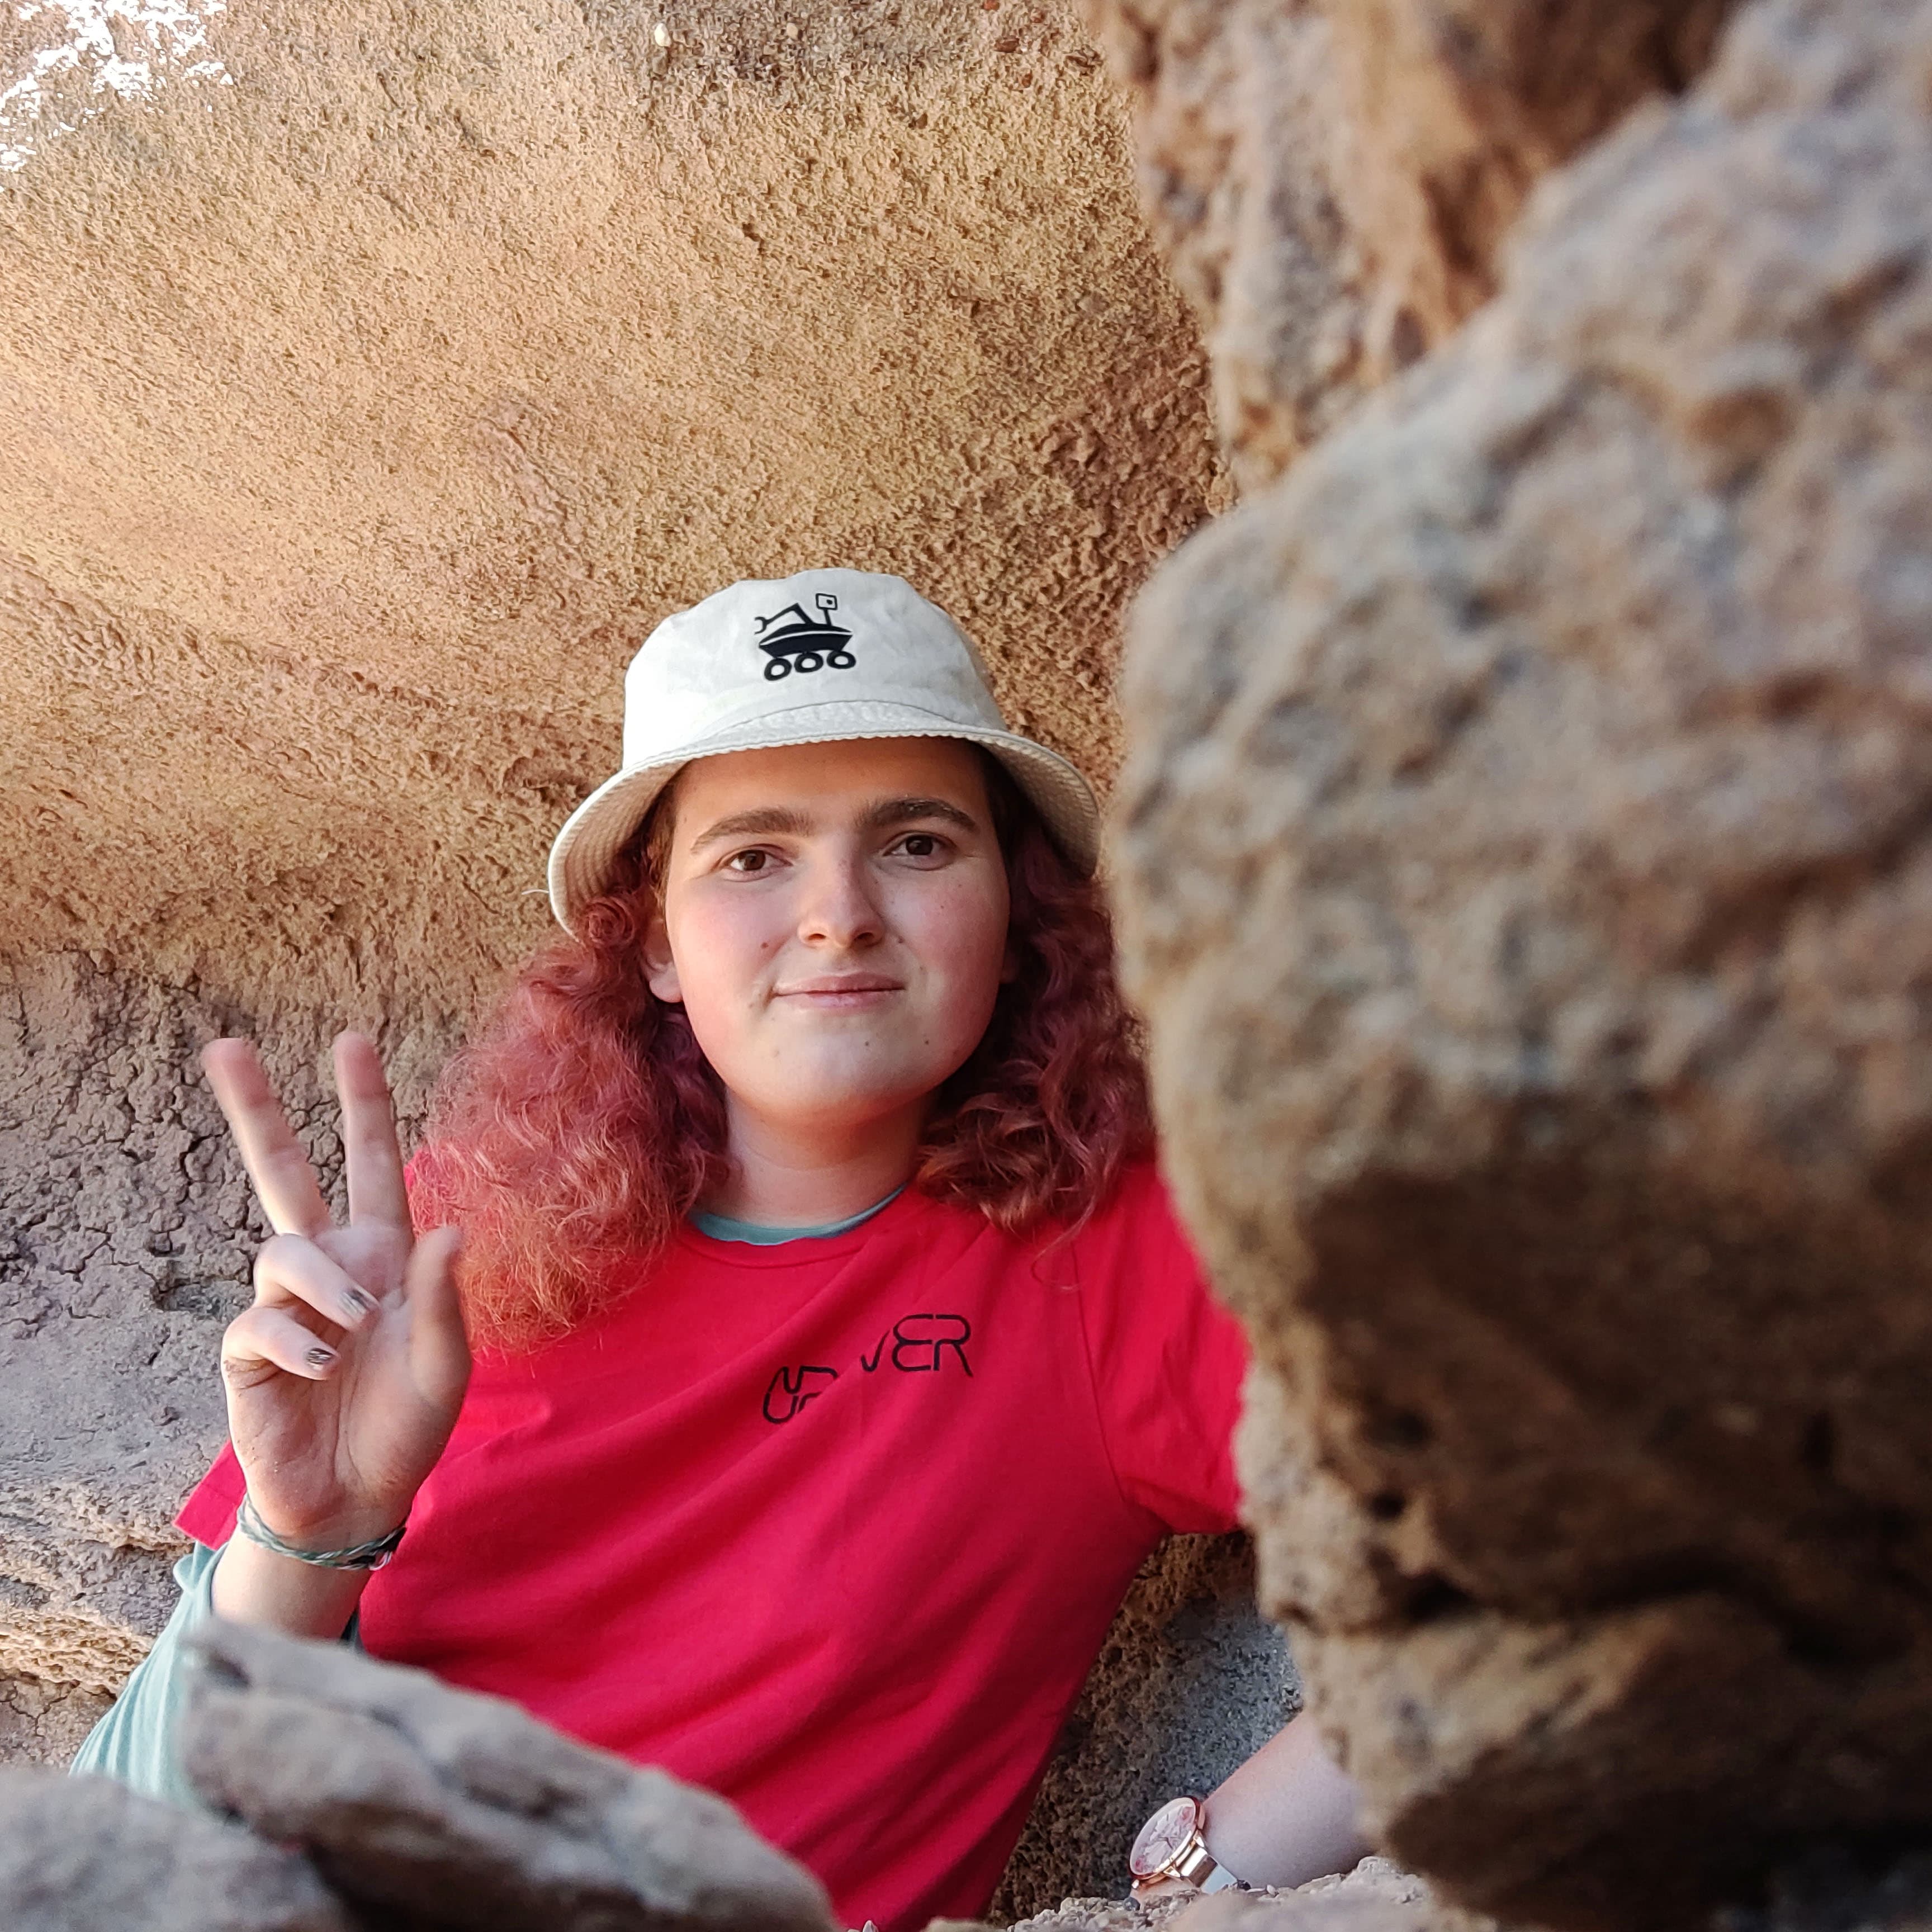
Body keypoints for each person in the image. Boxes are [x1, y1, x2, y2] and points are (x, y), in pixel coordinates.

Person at [72, 570, 1365, 1929]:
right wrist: (308, 1533)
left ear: (1016, 914)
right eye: (752, 856)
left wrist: (1202, 1885)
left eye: (918, 843)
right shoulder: (471, 1232)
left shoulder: (1116, 1255)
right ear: (657, 950)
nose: (838, 914)